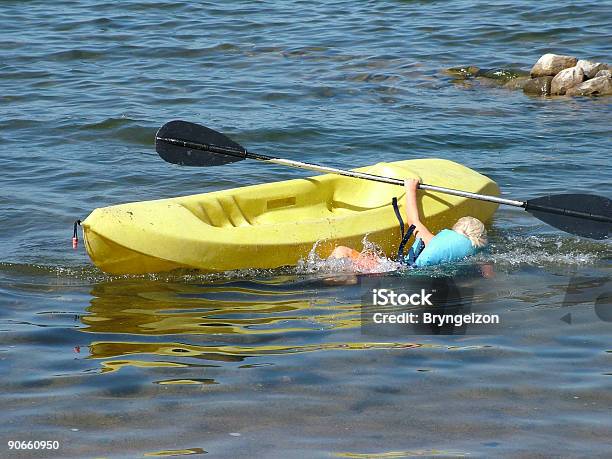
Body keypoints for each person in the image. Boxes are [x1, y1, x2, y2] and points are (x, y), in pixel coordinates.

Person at [328, 178, 488, 271]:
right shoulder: (480, 258)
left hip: (395, 271)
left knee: (342, 251)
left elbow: (413, 222)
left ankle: (333, 281)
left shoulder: (432, 241)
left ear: (454, 231)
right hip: (409, 276)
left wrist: (410, 189)